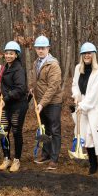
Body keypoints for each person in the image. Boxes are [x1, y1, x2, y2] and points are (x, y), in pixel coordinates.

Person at [71, 42, 98, 174]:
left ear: (93, 55)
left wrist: (83, 105)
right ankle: (88, 158)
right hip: (82, 105)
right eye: (84, 53)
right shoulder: (77, 68)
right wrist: (76, 95)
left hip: (94, 108)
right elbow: (75, 84)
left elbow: (94, 94)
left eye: (89, 53)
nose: (87, 55)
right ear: (82, 55)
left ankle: (94, 163)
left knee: (91, 134)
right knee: (83, 133)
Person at [31, 35, 63, 170]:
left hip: (53, 102)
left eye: (43, 48)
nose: (40, 51)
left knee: (55, 130)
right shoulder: (36, 63)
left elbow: (53, 87)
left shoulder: (53, 64)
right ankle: (46, 154)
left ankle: (54, 159)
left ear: (48, 48)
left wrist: (42, 103)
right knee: (45, 129)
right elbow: (37, 81)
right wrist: (32, 88)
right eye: (38, 48)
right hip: (41, 102)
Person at [0, 41, 28, 172]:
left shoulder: (18, 69)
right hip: (6, 105)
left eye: (11, 53)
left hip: (18, 105)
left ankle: (16, 160)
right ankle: (6, 158)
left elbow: (21, 89)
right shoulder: (6, 67)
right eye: (7, 53)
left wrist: (6, 97)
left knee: (16, 132)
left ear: (16, 55)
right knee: (4, 131)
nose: (8, 55)